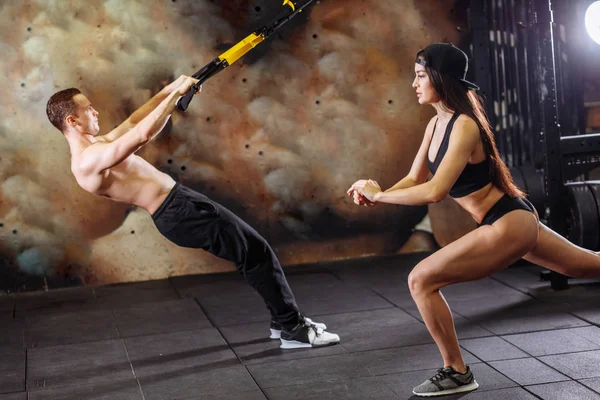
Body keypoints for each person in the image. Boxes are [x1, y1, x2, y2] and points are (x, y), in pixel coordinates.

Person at [348, 42, 600, 396]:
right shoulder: (436, 125)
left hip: (508, 222)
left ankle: (457, 372)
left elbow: (435, 191)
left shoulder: (465, 126)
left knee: (421, 279)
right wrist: (378, 194)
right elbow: (414, 180)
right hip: (508, 221)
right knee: (590, 266)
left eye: (420, 76)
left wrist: (380, 195)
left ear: (440, 78)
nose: (414, 84)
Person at [46, 75, 340, 349]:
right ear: (72, 120)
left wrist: (171, 87)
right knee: (256, 252)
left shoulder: (99, 144)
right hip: (177, 211)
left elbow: (136, 119)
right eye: (88, 109)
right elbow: (142, 135)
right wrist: (175, 95)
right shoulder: (86, 162)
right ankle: (293, 329)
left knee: (252, 252)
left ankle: (282, 321)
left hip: (181, 202)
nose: (96, 112)